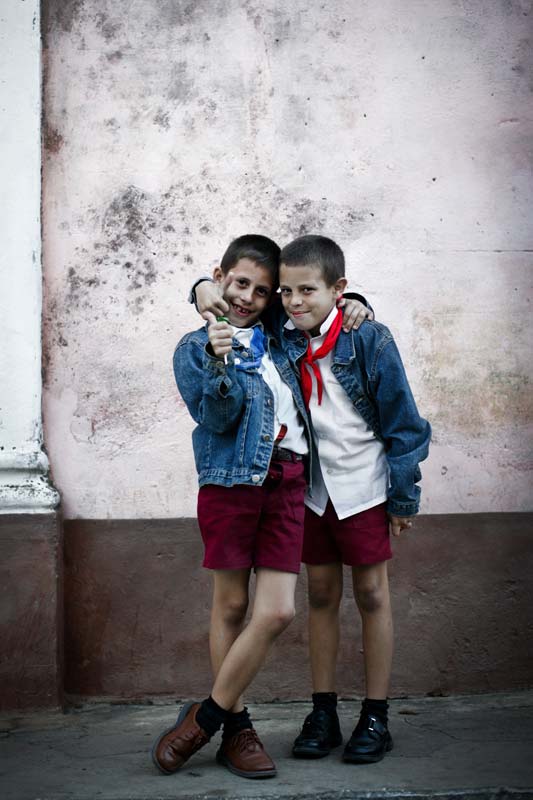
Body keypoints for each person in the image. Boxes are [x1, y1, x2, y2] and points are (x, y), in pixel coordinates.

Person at [152, 234, 372, 780]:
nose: (248, 298)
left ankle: (203, 718)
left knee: (277, 612)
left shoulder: (279, 336)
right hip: (230, 484)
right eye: (239, 283)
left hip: (289, 481)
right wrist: (217, 355)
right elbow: (217, 418)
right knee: (230, 607)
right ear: (220, 276)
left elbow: (317, 306)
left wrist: (357, 301)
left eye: (261, 291)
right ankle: (236, 729)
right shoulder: (191, 349)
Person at [273, 235, 431, 764]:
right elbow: (235, 302)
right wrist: (200, 287)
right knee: (320, 594)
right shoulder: (283, 338)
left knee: (371, 594)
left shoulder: (369, 339)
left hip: (365, 485)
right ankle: (323, 713)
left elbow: (405, 424)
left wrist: (403, 498)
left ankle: (376, 716)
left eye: (307, 290)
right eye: (286, 291)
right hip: (314, 490)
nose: (295, 301)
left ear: (337, 289)